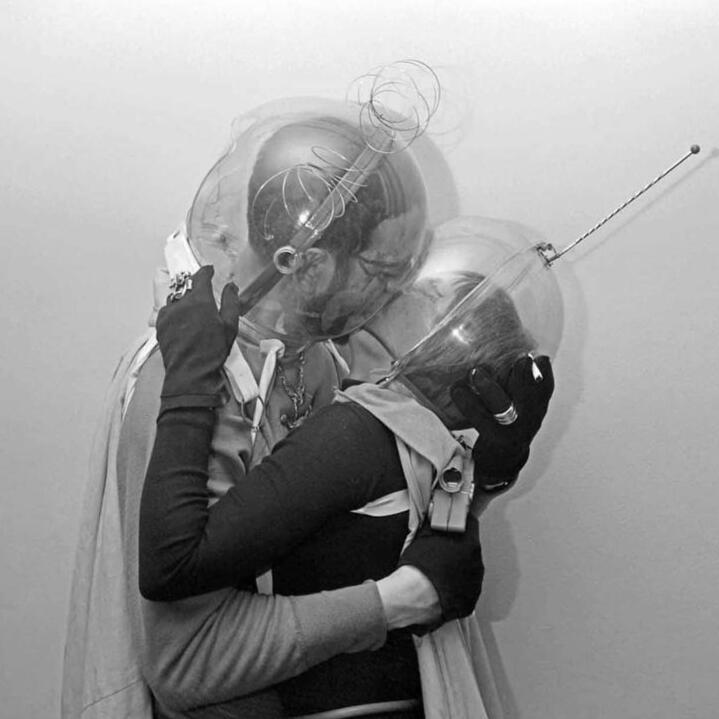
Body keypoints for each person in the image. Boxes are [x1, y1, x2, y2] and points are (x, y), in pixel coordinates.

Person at [62, 100, 493, 719]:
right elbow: (188, 665)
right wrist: (395, 603)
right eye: (382, 271)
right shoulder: (192, 377)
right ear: (309, 266)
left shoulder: (316, 356)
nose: (395, 292)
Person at [138, 226, 555, 718]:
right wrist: (483, 480)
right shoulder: (428, 445)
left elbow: (175, 565)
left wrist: (190, 376)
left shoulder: (355, 431)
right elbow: (441, 548)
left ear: (439, 343)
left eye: (426, 292)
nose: (396, 286)